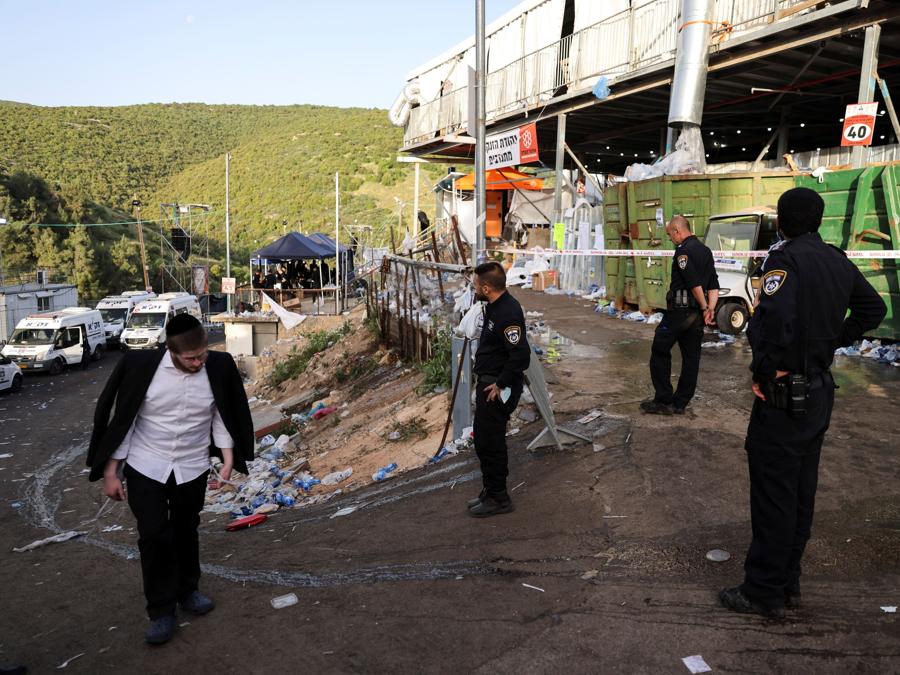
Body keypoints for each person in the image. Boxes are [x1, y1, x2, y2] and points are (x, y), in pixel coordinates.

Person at [720, 187, 886, 618]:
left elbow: (776, 321)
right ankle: (787, 581)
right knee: (799, 493)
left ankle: (762, 591)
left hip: (784, 393)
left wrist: (765, 370)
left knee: (774, 494)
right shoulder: (835, 259)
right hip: (818, 393)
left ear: (782, 220)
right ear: (818, 220)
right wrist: (835, 341)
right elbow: (873, 308)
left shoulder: (784, 260)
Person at [86, 314, 254, 644]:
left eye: (202, 354)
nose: (198, 362)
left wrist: (228, 457)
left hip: (191, 465)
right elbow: (125, 422)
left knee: (185, 528)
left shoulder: (217, 366)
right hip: (146, 463)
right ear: (171, 350)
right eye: (191, 358)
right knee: (152, 535)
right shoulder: (142, 367)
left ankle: (188, 590)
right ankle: (161, 610)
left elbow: (220, 413)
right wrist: (110, 472)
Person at [469, 261, 530, 518]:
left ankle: (499, 497)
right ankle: (490, 490)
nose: (474, 289)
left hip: (497, 387)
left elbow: (521, 355)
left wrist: (502, 383)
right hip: (489, 382)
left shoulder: (508, 312)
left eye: (475, 285)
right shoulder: (494, 307)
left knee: (492, 442)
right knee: (483, 440)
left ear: (486, 287)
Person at [641, 215, 719, 415]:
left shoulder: (683, 252)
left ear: (677, 231)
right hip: (696, 316)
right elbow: (713, 284)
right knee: (691, 358)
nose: (670, 239)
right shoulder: (706, 251)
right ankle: (680, 403)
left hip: (679, 313)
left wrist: (703, 306)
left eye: (670, 234)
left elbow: (693, 283)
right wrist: (710, 308)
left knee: (659, 349)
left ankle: (663, 399)